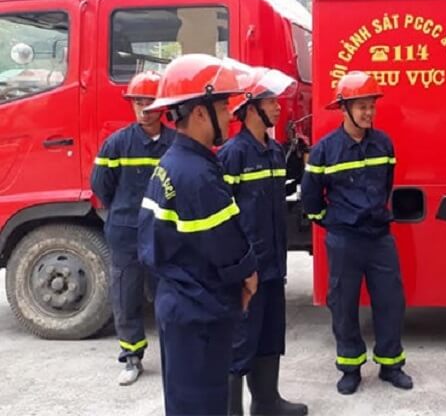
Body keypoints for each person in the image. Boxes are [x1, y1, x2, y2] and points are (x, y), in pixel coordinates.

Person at [138, 54, 258, 415]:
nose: (230, 115)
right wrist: (248, 276)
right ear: (201, 113)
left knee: (185, 403)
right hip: (200, 310)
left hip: (181, 303)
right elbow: (225, 244)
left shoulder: (174, 163)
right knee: (202, 405)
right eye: (222, 107)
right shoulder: (197, 174)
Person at [301, 71, 412, 396]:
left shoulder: (384, 144)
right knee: (343, 304)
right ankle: (350, 368)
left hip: (379, 237)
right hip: (344, 239)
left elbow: (386, 185)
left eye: (371, 106)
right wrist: (332, 222)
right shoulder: (325, 151)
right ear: (344, 108)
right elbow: (311, 198)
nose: (369, 112)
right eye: (362, 106)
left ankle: (391, 365)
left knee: (390, 301)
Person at [219, 67, 308, 415]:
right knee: (239, 341)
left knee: (270, 335)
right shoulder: (233, 154)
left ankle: (267, 402)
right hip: (248, 269)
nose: (278, 106)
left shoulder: (273, 151)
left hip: (273, 266)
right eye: (270, 101)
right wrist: (237, 267)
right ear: (250, 107)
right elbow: (223, 216)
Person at [90, 70, 175, 386]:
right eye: (137, 102)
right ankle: (131, 356)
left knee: (169, 293)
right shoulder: (117, 144)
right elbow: (101, 186)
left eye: (149, 102)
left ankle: (174, 354)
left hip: (164, 233)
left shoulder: (175, 144)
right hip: (126, 232)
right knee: (126, 295)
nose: (143, 109)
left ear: (162, 105)